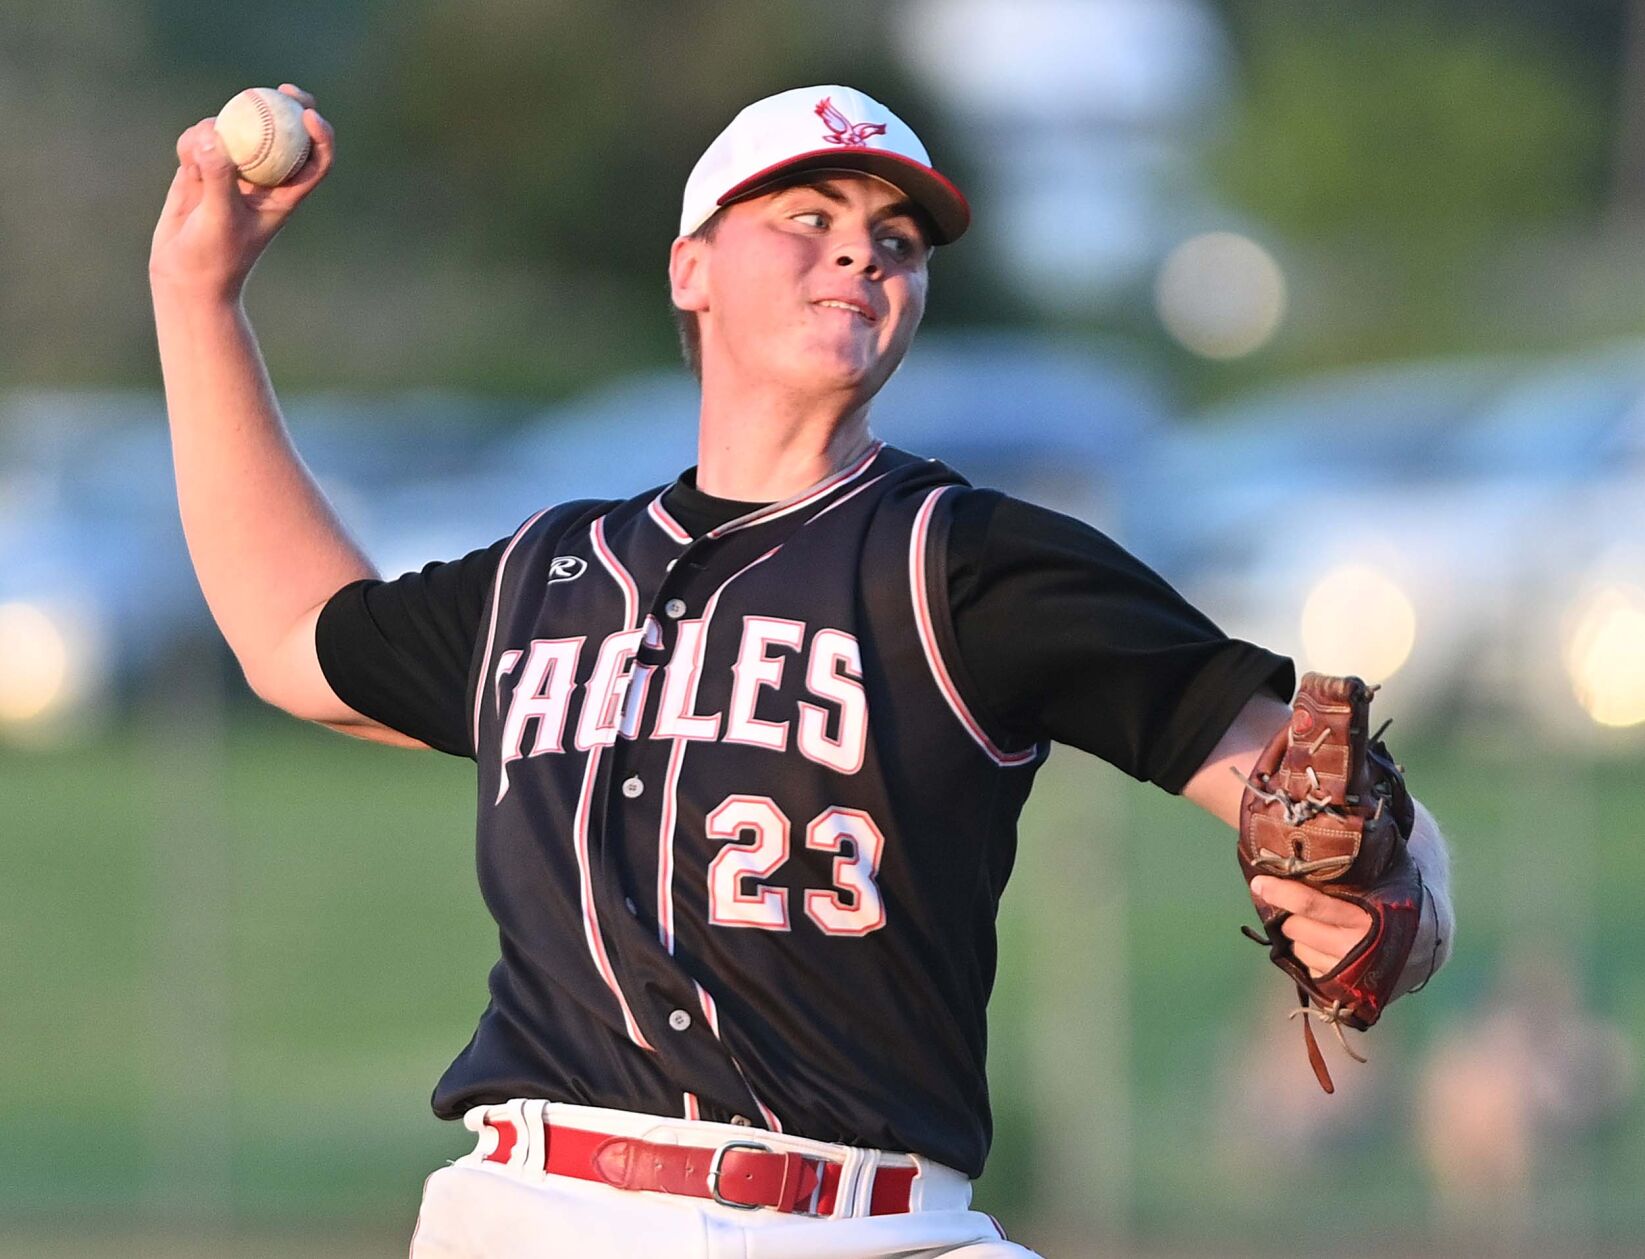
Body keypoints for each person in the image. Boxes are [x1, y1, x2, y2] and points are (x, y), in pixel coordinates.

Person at [149, 82, 1455, 1258]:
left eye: (895, 239)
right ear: (691, 269)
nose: (860, 248)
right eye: (807, 212)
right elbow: (295, 643)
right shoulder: (550, 577)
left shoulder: (967, 565)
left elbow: (1334, 803)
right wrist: (196, 298)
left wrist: (1406, 912)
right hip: (546, 1215)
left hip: (872, 1224)